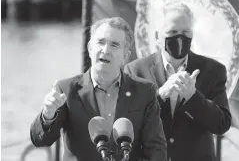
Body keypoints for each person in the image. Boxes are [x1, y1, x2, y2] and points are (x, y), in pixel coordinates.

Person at [30, 17, 167, 161]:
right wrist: (48, 115)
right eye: (100, 42)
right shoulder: (66, 90)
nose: (105, 50)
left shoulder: (144, 91)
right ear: (90, 49)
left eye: (114, 45)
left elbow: (156, 149)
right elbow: (41, 140)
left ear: (125, 55)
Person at [124, 3, 232, 161]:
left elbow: (222, 124)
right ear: (157, 36)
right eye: (172, 32)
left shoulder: (213, 70)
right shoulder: (135, 70)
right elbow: (130, 124)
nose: (180, 38)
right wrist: (159, 96)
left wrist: (193, 98)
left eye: (186, 32)